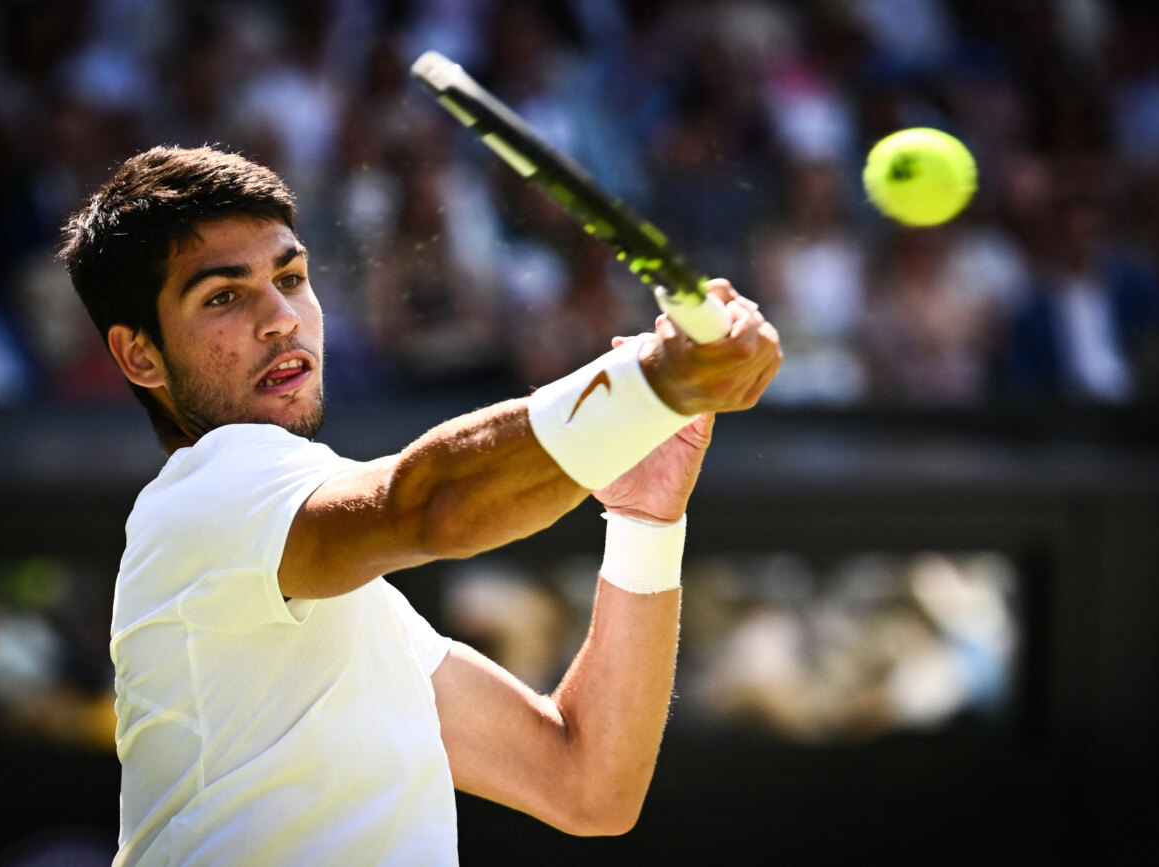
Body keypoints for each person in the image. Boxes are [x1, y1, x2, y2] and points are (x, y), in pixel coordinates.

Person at [58, 145, 781, 865]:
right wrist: (651, 383)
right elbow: (427, 504)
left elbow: (587, 783)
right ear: (140, 356)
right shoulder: (207, 494)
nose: (281, 318)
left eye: (291, 277)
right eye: (223, 296)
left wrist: (643, 519)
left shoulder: (345, 613)